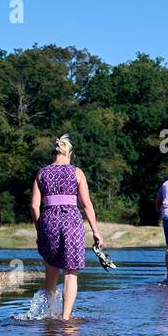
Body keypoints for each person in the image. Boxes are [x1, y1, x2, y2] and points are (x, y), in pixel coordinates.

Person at [30, 134, 102, 320]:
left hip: (48, 221)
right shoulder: (77, 173)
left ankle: (49, 314)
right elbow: (87, 205)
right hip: (71, 221)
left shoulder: (42, 173)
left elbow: (34, 206)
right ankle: (65, 318)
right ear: (69, 153)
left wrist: (40, 229)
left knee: (51, 271)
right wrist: (96, 232)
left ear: (53, 153)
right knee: (71, 272)